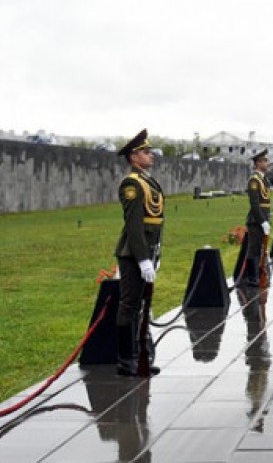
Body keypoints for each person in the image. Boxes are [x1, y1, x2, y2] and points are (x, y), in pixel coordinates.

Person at [114, 129, 163, 376]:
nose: (150, 154)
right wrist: (143, 259)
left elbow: (155, 222)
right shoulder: (132, 183)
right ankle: (126, 359)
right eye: (145, 152)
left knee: (143, 307)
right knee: (129, 305)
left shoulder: (148, 181)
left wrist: (155, 254)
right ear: (134, 157)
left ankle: (142, 354)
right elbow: (134, 225)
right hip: (133, 254)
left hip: (148, 251)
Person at [242, 150, 271, 286]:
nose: (267, 163)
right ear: (258, 163)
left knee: (260, 248)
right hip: (255, 220)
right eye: (264, 161)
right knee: (254, 248)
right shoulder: (254, 180)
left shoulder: (263, 179)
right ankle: (252, 277)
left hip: (263, 218)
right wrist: (262, 221)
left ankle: (257, 275)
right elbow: (254, 204)